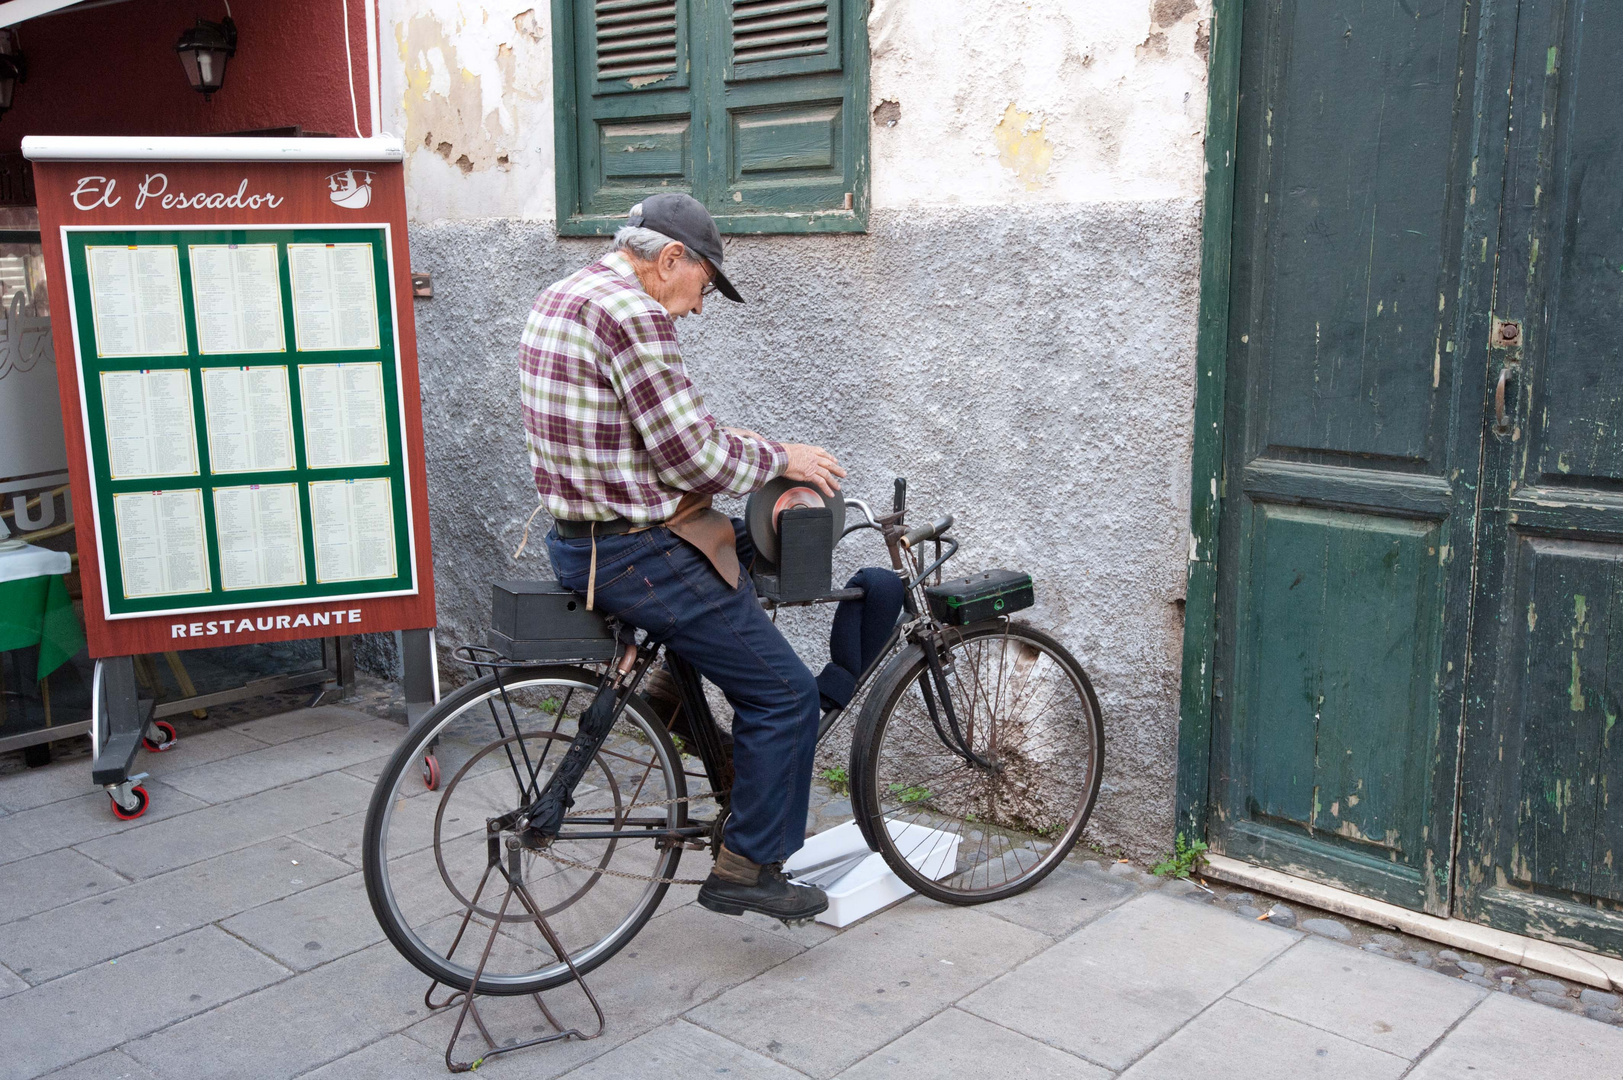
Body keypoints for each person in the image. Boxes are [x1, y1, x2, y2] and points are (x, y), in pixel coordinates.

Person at [521, 192, 846, 923]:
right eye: (702, 286)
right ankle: (747, 865)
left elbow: (650, 430)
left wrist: (736, 449)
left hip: (583, 541)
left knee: (724, 596)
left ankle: (670, 702)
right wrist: (780, 457)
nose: (696, 308)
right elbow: (691, 455)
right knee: (784, 693)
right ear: (671, 259)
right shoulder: (633, 312)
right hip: (637, 552)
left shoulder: (566, 293)